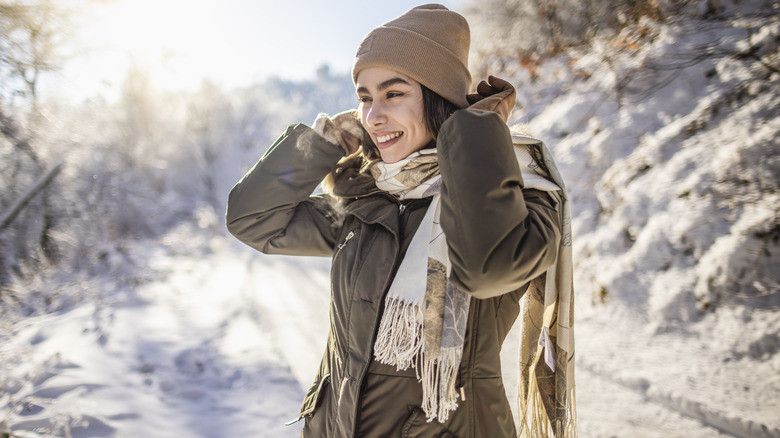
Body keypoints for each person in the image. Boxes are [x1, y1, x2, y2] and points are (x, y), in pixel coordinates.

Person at [226, 4, 576, 437]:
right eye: (364, 97)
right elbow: (253, 219)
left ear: (439, 99)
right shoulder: (366, 200)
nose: (373, 116)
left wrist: (475, 134)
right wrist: (325, 142)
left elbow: (487, 270)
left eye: (393, 94)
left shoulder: (518, 195)